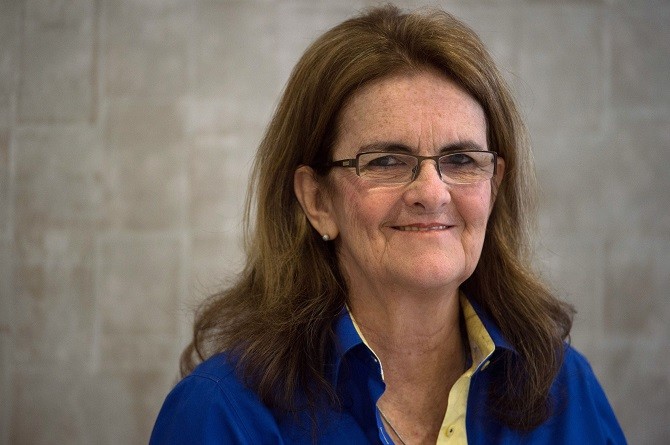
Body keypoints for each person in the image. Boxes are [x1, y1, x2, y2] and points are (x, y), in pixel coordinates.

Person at [150, 5, 626, 444]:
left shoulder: (565, 389)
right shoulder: (221, 413)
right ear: (318, 201)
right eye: (385, 161)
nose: (432, 193)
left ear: (494, 186)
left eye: (461, 159)